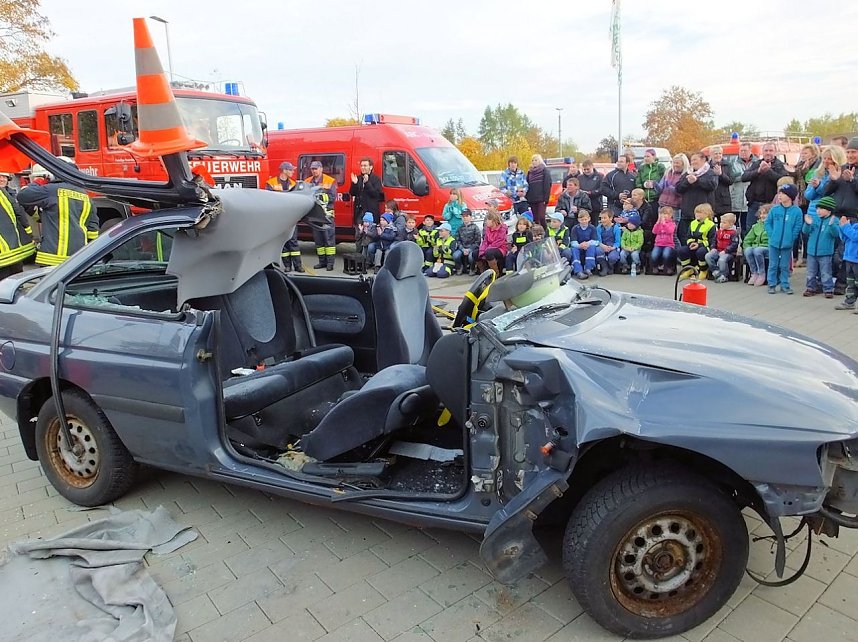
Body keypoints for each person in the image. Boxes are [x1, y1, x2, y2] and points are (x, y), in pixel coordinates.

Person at [18, 162, 98, 267]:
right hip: (77, 257)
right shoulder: (86, 196)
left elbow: (22, 196)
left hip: (52, 258)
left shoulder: (52, 190)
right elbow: (93, 230)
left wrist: (39, 181)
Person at [264, 162, 303, 272]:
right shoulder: (271, 183)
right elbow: (268, 200)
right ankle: (287, 265)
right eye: (291, 170)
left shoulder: (293, 183)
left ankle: (298, 265)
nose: (293, 172)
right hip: (279, 218)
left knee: (293, 241)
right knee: (284, 242)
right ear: (284, 170)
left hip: (291, 217)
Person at [765, 184, 803, 295]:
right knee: (773, 264)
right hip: (774, 242)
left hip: (787, 243)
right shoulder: (775, 209)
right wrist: (771, 235)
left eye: (783, 193)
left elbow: (797, 226)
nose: (779, 196)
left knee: (784, 265)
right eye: (779, 193)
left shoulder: (796, 211)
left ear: (790, 196)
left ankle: (784, 284)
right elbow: (768, 223)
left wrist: (792, 237)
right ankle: (771, 284)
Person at [741, 143, 788, 231]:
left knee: (768, 230)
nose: (768, 153)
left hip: (771, 204)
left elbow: (782, 181)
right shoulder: (757, 163)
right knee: (750, 229)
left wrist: (768, 171)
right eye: (766, 150)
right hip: (754, 203)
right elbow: (744, 177)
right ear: (762, 152)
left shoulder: (780, 165)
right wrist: (758, 171)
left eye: (771, 150)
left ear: (775, 152)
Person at [802, 196, 840, 298]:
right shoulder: (814, 219)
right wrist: (807, 224)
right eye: (817, 208)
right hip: (811, 251)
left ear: (829, 210)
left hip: (825, 252)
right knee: (811, 271)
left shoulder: (834, 220)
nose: (818, 211)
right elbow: (805, 232)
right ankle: (810, 288)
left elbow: (836, 235)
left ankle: (828, 289)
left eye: (821, 209)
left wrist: (832, 226)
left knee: (826, 272)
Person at [790, 143, 821, 267]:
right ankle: (796, 257)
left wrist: (804, 170)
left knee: (806, 230)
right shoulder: (800, 165)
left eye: (806, 153)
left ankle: (806, 257)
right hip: (799, 200)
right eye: (802, 153)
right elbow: (795, 177)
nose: (803, 155)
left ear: (813, 154)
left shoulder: (817, 166)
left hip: (810, 202)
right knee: (797, 229)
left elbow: (809, 178)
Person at [675, 152, 717, 241]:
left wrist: (697, 181)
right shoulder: (687, 173)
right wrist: (687, 182)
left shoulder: (710, 173)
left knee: (702, 237)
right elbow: (678, 188)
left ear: (703, 160)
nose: (692, 162)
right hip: (687, 212)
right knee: (684, 236)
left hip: (703, 212)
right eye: (691, 160)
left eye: (695, 159)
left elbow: (713, 186)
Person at [304, 160, 338, 270]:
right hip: (315, 216)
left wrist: (318, 198)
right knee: (318, 241)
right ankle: (322, 262)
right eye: (312, 169)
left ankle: (330, 264)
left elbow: (332, 197)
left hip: (327, 216)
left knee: (329, 240)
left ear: (321, 169)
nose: (314, 171)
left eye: (316, 168)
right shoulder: (307, 181)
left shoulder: (330, 181)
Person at [0, 177, 35, 279]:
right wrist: (29, 234)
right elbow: (19, 213)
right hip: (16, 250)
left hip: (3, 256)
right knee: (16, 283)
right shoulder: (3, 193)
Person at [677, 204, 716, 278]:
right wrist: (691, 243)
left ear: (707, 214)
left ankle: (703, 270)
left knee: (700, 252)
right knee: (682, 250)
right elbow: (688, 236)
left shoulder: (711, 225)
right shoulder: (693, 223)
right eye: (696, 212)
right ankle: (688, 269)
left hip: (705, 246)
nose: (697, 214)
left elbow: (711, 240)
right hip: (693, 244)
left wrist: (699, 245)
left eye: (700, 212)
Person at [705, 212, 740, 283]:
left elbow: (734, 244)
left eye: (724, 223)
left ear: (731, 224)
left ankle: (724, 275)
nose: (721, 224)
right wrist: (713, 248)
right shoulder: (719, 231)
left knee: (722, 260)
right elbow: (714, 241)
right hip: (718, 250)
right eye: (721, 222)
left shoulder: (733, 233)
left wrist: (726, 251)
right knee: (708, 256)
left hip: (729, 253)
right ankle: (716, 271)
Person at [348, 157, 384, 226]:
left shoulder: (376, 179)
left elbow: (375, 195)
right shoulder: (358, 178)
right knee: (358, 234)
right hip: (359, 213)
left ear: (370, 167)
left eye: (365, 166)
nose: (363, 167)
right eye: (361, 166)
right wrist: (354, 184)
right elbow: (352, 193)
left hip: (370, 213)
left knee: (369, 235)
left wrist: (367, 183)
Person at [730, 143, 756, 232]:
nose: (743, 152)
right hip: (735, 197)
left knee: (746, 225)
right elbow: (731, 177)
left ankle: (745, 243)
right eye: (741, 150)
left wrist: (746, 176)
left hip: (750, 198)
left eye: (745, 150)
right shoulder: (733, 163)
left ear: (750, 151)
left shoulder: (756, 163)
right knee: (733, 224)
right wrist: (746, 176)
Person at [743, 204, 770, 286]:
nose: (762, 216)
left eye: (765, 213)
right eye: (761, 213)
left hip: (768, 248)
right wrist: (746, 247)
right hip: (756, 247)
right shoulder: (756, 226)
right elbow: (747, 239)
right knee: (748, 250)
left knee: (757, 250)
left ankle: (762, 273)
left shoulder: (773, 226)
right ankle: (754, 273)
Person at [835, 212, 858, 311]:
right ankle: (849, 302)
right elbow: (844, 238)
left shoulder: (851, 227)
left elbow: (855, 236)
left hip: (856, 260)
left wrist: (846, 226)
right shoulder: (854, 225)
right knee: (850, 282)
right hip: (849, 258)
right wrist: (841, 227)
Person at [656, 154, 688, 223]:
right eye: (674, 162)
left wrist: (672, 188)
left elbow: (683, 192)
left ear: (683, 164)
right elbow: (660, 188)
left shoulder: (685, 175)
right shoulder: (668, 172)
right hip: (663, 204)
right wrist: (654, 185)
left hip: (675, 207)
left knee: (672, 229)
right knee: (660, 227)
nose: (675, 165)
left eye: (677, 163)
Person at [708, 145, 735, 223]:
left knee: (725, 224)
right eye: (716, 153)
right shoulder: (706, 166)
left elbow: (731, 181)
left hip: (724, 200)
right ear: (711, 155)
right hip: (710, 199)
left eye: (720, 153)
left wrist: (721, 174)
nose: (718, 155)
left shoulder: (727, 165)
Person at [569, 210, 598, 279]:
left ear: (589, 218)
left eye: (585, 219)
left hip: (588, 246)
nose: (584, 221)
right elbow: (573, 242)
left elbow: (595, 241)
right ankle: (578, 271)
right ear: (578, 220)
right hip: (579, 246)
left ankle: (588, 268)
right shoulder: (575, 228)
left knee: (592, 247)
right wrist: (580, 245)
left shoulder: (592, 228)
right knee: (574, 249)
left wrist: (587, 243)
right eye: (582, 220)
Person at [525, 154, 552, 227]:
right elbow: (526, 184)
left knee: (541, 217)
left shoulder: (545, 171)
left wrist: (546, 199)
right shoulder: (529, 172)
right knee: (535, 219)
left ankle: (546, 231)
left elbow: (547, 185)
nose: (534, 162)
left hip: (541, 199)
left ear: (540, 161)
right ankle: (537, 233)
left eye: (536, 160)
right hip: (532, 198)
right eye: (532, 160)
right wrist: (527, 197)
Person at [478, 210, 507, 275]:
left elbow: (499, 242)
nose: (486, 222)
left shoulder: (502, 229)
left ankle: (496, 273)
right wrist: (482, 251)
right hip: (489, 248)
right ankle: (483, 273)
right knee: (475, 254)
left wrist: (487, 249)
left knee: (488, 253)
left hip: (501, 248)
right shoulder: (487, 229)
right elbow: (485, 241)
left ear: (493, 221)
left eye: (488, 220)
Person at [650, 206, 677, 275]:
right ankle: (655, 267)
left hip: (668, 244)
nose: (663, 216)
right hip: (658, 244)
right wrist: (657, 223)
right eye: (662, 214)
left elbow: (670, 231)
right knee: (654, 255)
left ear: (670, 215)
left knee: (666, 255)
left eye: (666, 214)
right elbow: (654, 231)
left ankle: (668, 267)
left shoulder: (672, 224)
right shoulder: (659, 223)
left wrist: (664, 224)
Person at [596, 210, 621, 276]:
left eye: (604, 218)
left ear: (610, 218)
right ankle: (604, 267)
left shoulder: (616, 228)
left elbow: (618, 242)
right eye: (601, 218)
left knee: (613, 257)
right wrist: (603, 246)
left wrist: (612, 247)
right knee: (597, 251)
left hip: (612, 247)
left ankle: (610, 267)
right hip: (602, 247)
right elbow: (598, 240)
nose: (602, 220)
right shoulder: (599, 228)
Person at [456, 209, 481, 275]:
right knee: (456, 255)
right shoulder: (459, 228)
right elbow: (458, 240)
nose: (465, 218)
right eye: (463, 216)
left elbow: (478, 241)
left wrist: (470, 249)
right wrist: (462, 249)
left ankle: (472, 268)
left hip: (472, 248)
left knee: (471, 257)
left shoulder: (475, 227)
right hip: (462, 248)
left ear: (471, 217)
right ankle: (459, 267)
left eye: (467, 216)